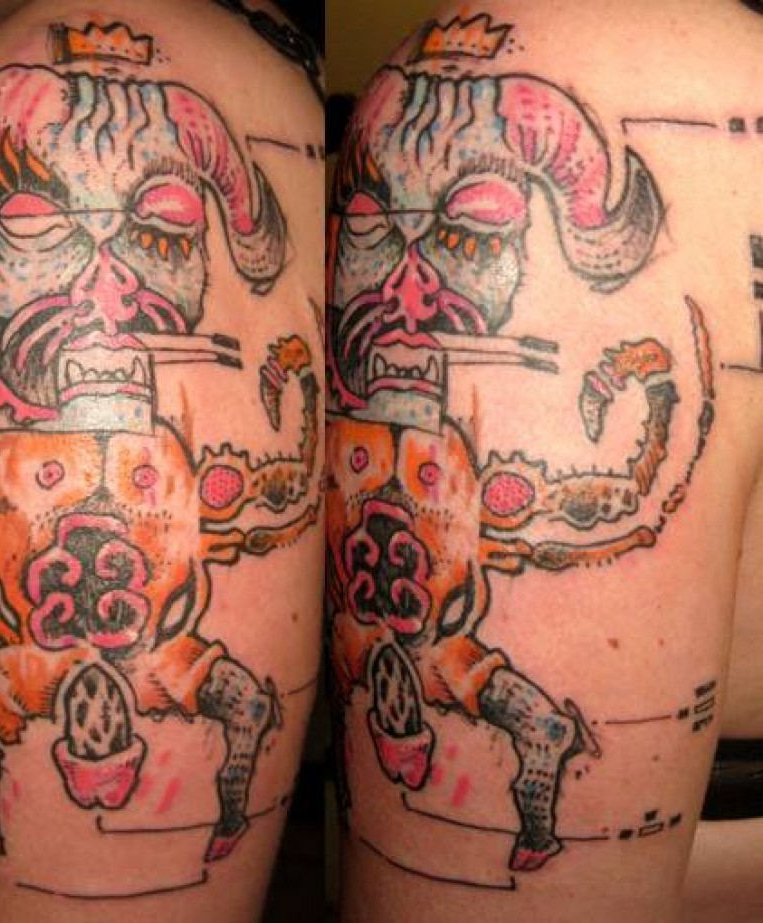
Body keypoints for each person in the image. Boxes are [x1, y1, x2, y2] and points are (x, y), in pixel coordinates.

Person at [326, 1, 763, 919]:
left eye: (468, 232)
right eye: (375, 229)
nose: (409, 296)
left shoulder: (583, 59)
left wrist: (650, 397)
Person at [0, 0, 324, 919]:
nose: (104, 291)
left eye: (160, 231)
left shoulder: (32, 85)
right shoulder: (277, 62)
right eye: (38, 225)